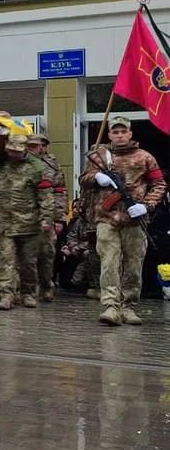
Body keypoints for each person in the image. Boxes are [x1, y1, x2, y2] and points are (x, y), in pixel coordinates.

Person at [79, 117, 165, 325]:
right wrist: (96, 178)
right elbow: (83, 179)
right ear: (109, 135)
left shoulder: (145, 157)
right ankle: (110, 306)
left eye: (123, 131)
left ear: (130, 134)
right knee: (108, 263)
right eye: (115, 132)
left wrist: (146, 205)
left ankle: (129, 306)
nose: (119, 135)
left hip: (134, 220)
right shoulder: (99, 156)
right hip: (106, 217)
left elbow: (159, 184)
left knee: (134, 265)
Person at [0, 134, 55, 310]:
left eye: (17, 151)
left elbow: (46, 197)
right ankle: (6, 294)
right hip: (3, 222)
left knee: (28, 262)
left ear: (25, 150)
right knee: (5, 260)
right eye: (11, 151)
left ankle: (28, 293)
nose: (13, 154)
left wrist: (47, 219)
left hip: (28, 223)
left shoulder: (36, 168)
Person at [26, 133, 68, 302]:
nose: (39, 148)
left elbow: (60, 191)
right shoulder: (23, 163)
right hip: (26, 214)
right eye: (35, 145)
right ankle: (30, 288)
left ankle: (46, 285)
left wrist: (59, 218)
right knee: (28, 256)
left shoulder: (52, 165)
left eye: (42, 145)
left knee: (47, 254)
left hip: (48, 215)